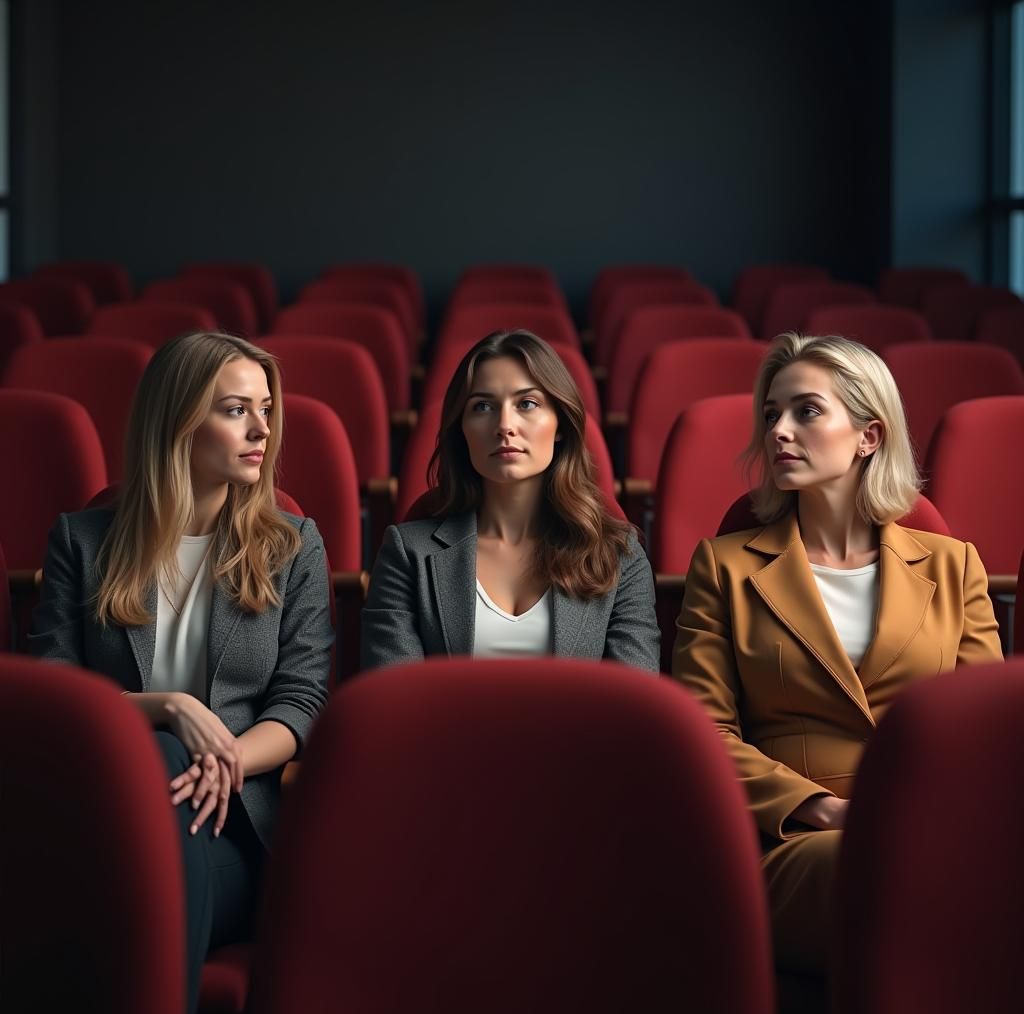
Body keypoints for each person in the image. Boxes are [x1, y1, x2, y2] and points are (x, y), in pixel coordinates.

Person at [673, 332, 1002, 978]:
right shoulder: (725, 567)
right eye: (771, 415)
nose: (779, 431)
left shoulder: (953, 564)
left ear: (869, 437)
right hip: (795, 841)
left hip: (932, 826)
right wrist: (830, 810)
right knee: (877, 863)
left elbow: (985, 736)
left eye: (806, 411)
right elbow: (702, 734)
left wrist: (919, 815)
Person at [30, 331, 333, 1014]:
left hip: (234, 824)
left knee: (127, 884)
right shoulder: (82, 541)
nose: (261, 429)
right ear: (178, 418)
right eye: (234, 410)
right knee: (159, 755)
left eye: (265, 408)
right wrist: (166, 708)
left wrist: (220, 756)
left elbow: (303, 701)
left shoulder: (293, 546)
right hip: (100, 806)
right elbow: (55, 689)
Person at [362, 330, 659, 670]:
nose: (505, 425)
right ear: (462, 428)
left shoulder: (620, 554)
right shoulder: (406, 553)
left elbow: (632, 702)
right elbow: (395, 700)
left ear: (560, 423)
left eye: (527, 404)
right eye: (483, 406)